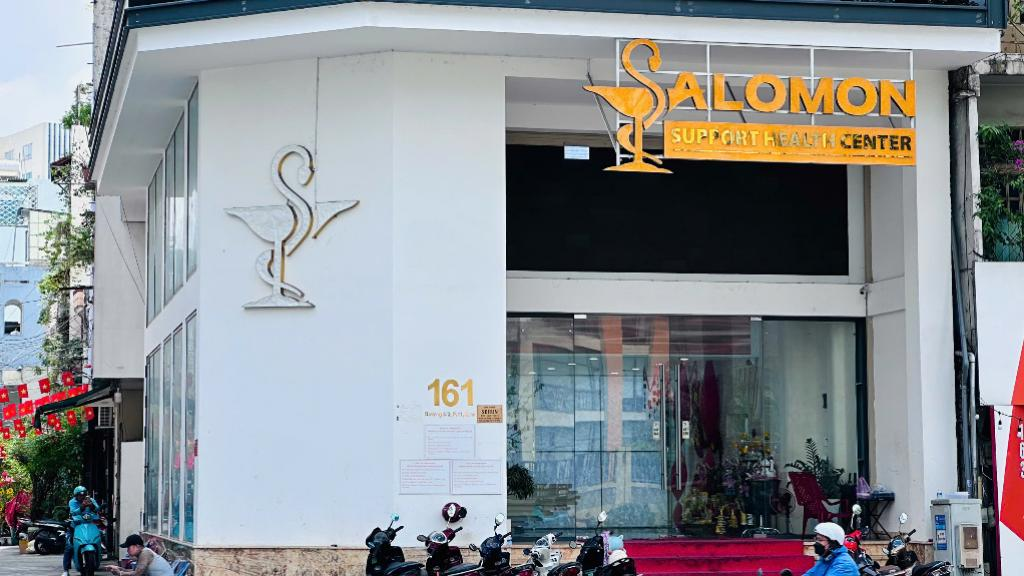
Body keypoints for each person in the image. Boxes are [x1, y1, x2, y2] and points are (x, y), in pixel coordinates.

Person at [63, 486, 99, 576]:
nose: (82, 497)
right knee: (69, 547)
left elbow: (97, 509)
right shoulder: (72, 502)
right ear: (76, 495)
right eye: (79, 495)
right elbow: (73, 512)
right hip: (75, 527)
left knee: (99, 536)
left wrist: (91, 505)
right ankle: (66, 570)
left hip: (89, 525)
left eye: (83, 495)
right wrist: (82, 507)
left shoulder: (90, 500)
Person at [105, 534, 174, 576]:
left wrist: (120, 573)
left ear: (137, 546)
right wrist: (119, 569)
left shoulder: (145, 553)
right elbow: (136, 571)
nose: (127, 550)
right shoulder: (142, 553)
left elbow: (137, 574)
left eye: (129, 547)